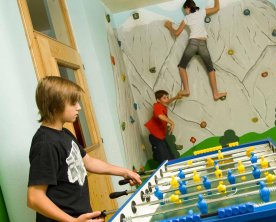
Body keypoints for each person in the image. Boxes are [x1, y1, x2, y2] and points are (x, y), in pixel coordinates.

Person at [27, 76, 142, 222]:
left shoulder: (65, 133)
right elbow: (34, 198)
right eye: (73, 103)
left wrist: (124, 172)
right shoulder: (45, 143)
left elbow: (88, 162)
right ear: (56, 104)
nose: (79, 107)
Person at [164, 0, 227, 101]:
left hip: (193, 43)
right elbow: (216, 8)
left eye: (185, 10)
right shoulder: (202, 12)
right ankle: (215, 93)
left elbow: (176, 33)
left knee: (181, 66)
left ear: (188, 7)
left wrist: (169, 26)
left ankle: (186, 90)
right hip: (203, 44)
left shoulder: (186, 18)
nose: (185, 12)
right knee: (211, 69)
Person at [145, 90, 181, 164]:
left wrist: (176, 97)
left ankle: (156, 154)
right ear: (158, 100)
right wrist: (172, 123)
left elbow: (168, 102)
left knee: (170, 157)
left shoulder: (162, 105)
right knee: (164, 159)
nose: (167, 99)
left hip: (160, 137)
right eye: (164, 98)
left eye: (167, 97)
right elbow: (160, 116)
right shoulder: (157, 106)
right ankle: (156, 155)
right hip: (155, 136)